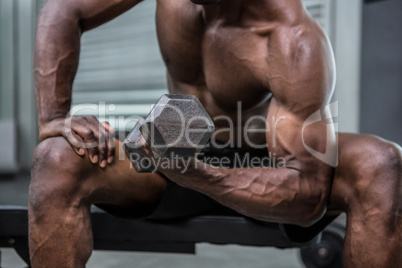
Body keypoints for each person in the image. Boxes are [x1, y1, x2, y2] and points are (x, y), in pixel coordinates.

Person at [29, 0, 401, 267]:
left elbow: (308, 197)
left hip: (269, 164)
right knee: (57, 157)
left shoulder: (293, 40)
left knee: (379, 163)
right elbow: (64, 9)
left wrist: (197, 174)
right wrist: (54, 118)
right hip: (174, 143)